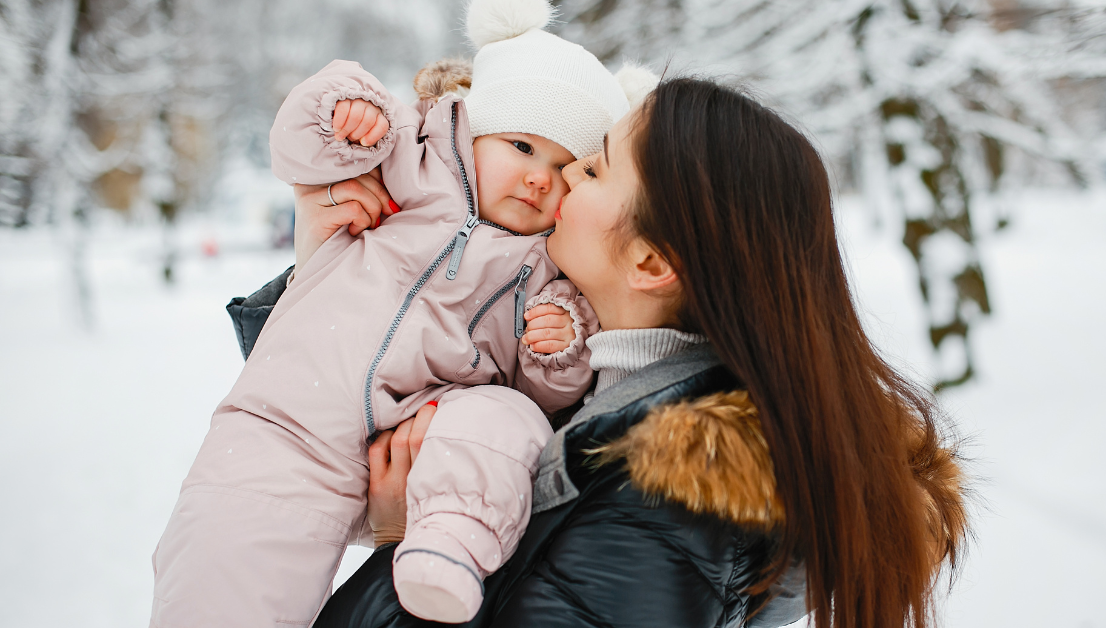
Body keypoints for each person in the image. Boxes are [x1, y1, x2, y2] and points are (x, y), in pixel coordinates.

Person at [234, 77, 969, 627]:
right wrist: (325, 251)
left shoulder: (664, 506)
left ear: (650, 263)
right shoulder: (592, 402)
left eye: (596, 167)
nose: (564, 174)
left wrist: (404, 546)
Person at [151, 0, 658, 624]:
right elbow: (305, 156)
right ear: (476, 128)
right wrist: (343, 115)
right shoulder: (413, 160)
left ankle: (449, 547)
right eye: (522, 146)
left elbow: (547, 392)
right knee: (229, 567)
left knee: (507, 418)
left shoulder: (555, 265)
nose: (536, 179)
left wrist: (559, 347)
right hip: (296, 419)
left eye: (563, 169)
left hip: (427, 440)